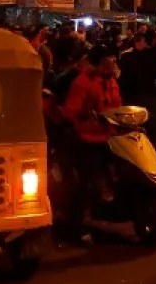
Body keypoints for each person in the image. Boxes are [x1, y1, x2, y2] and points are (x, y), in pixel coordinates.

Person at [52, 45, 122, 241]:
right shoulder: (82, 82)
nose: (113, 63)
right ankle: (78, 225)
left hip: (110, 137)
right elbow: (69, 111)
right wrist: (85, 115)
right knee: (85, 182)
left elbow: (117, 106)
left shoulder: (112, 82)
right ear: (99, 62)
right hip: (87, 139)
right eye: (109, 59)